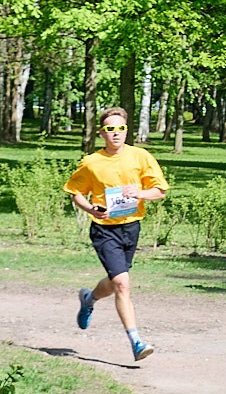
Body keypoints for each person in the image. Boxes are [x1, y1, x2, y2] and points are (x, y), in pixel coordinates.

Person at [68, 107, 167, 359]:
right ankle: (137, 342)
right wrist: (91, 208)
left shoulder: (140, 156)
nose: (116, 133)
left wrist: (140, 193)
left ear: (126, 131)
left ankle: (89, 299)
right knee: (122, 284)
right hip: (104, 230)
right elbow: (75, 192)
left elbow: (160, 190)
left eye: (120, 128)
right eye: (110, 129)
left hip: (131, 228)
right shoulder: (92, 162)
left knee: (115, 282)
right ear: (102, 133)